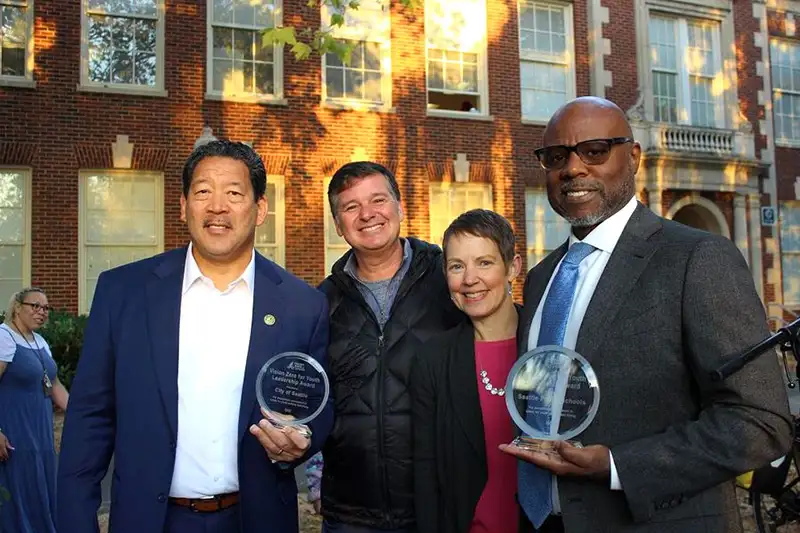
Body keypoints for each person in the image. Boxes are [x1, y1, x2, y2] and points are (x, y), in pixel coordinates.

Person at [499, 96, 793, 533]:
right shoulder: (542, 277)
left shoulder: (698, 258)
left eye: (595, 150)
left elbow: (760, 421)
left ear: (633, 157)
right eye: (556, 156)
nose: (573, 168)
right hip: (541, 521)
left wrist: (618, 465)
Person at [56, 140, 333, 533]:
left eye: (234, 193)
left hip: (255, 519)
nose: (217, 206)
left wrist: (302, 438)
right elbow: (90, 420)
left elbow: (317, 406)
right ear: (183, 205)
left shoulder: (303, 305)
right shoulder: (124, 292)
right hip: (151, 521)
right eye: (203, 191)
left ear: (260, 210)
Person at [305, 161, 464, 533]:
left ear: (399, 207)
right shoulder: (320, 303)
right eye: (350, 207)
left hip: (438, 507)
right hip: (350, 515)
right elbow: (313, 398)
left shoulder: (449, 283)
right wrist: (314, 471)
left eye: (378, 200)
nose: (367, 215)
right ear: (338, 225)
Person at [411, 209, 522, 533]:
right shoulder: (433, 359)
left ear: (512, 267)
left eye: (484, 263)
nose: (469, 279)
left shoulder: (548, 343)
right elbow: (426, 473)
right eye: (457, 266)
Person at [0, 287, 68, 533]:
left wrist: (83, 417)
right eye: (35, 306)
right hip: (13, 428)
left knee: (40, 486)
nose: (42, 312)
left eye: (46, 308)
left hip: (40, 430)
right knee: (18, 488)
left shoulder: (39, 342)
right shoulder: (4, 337)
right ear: (18, 307)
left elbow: (55, 386)